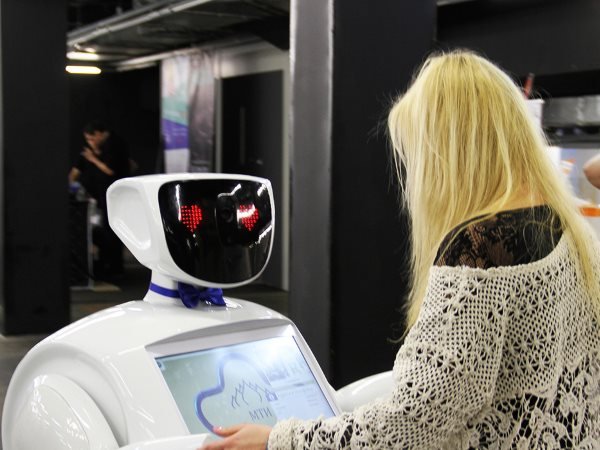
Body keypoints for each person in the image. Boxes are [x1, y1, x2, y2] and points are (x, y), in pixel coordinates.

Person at [200, 50, 600, 449]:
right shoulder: (568, 226)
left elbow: (409, 424)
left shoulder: (477, 251)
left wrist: (279, 439)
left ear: (448, 152)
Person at [69, 120, 131, 280]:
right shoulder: (93, 151)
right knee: (103, 230)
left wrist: (93, 159)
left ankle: (114, 267)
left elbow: (110, 170)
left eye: (92, 138)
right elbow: (76, 171)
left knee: (111, 232)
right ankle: (106, 264)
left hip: (113, 195)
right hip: (98, 196)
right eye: (87, 140)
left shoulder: (114, 145)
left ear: (99, 134)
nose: (90, 142)